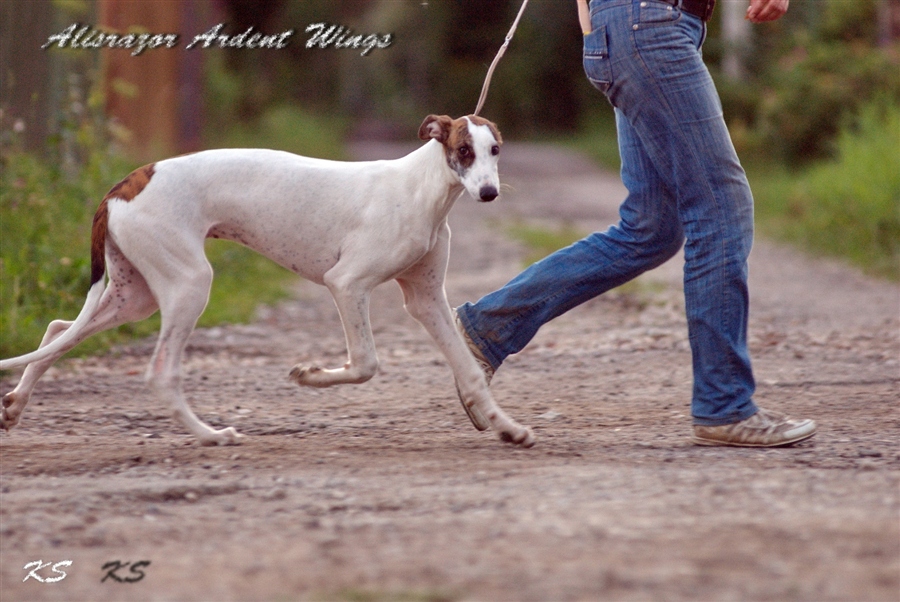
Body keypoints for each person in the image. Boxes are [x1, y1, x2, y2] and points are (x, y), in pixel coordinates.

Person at [454, 0, 816, 447]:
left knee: (652, 227)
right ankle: (725, 405)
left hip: (634, 28)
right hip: (648, 26)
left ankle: (486, 328)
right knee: (722, 207)